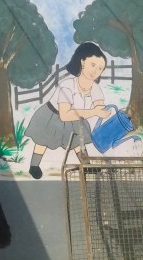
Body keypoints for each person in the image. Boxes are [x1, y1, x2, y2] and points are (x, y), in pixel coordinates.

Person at [26, 42, 117, 180]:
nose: (95, 71)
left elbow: (99, 107)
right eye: (93, 65)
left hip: (76, 117)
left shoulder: (96, 88)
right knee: (43, 141)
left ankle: (86, 165)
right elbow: (64, 115)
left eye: (100, 68)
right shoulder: (67, 85)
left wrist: (105, 113)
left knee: (78, 142)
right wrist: (94, 111)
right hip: (52, 115)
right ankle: (34, 165)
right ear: (82, 61)